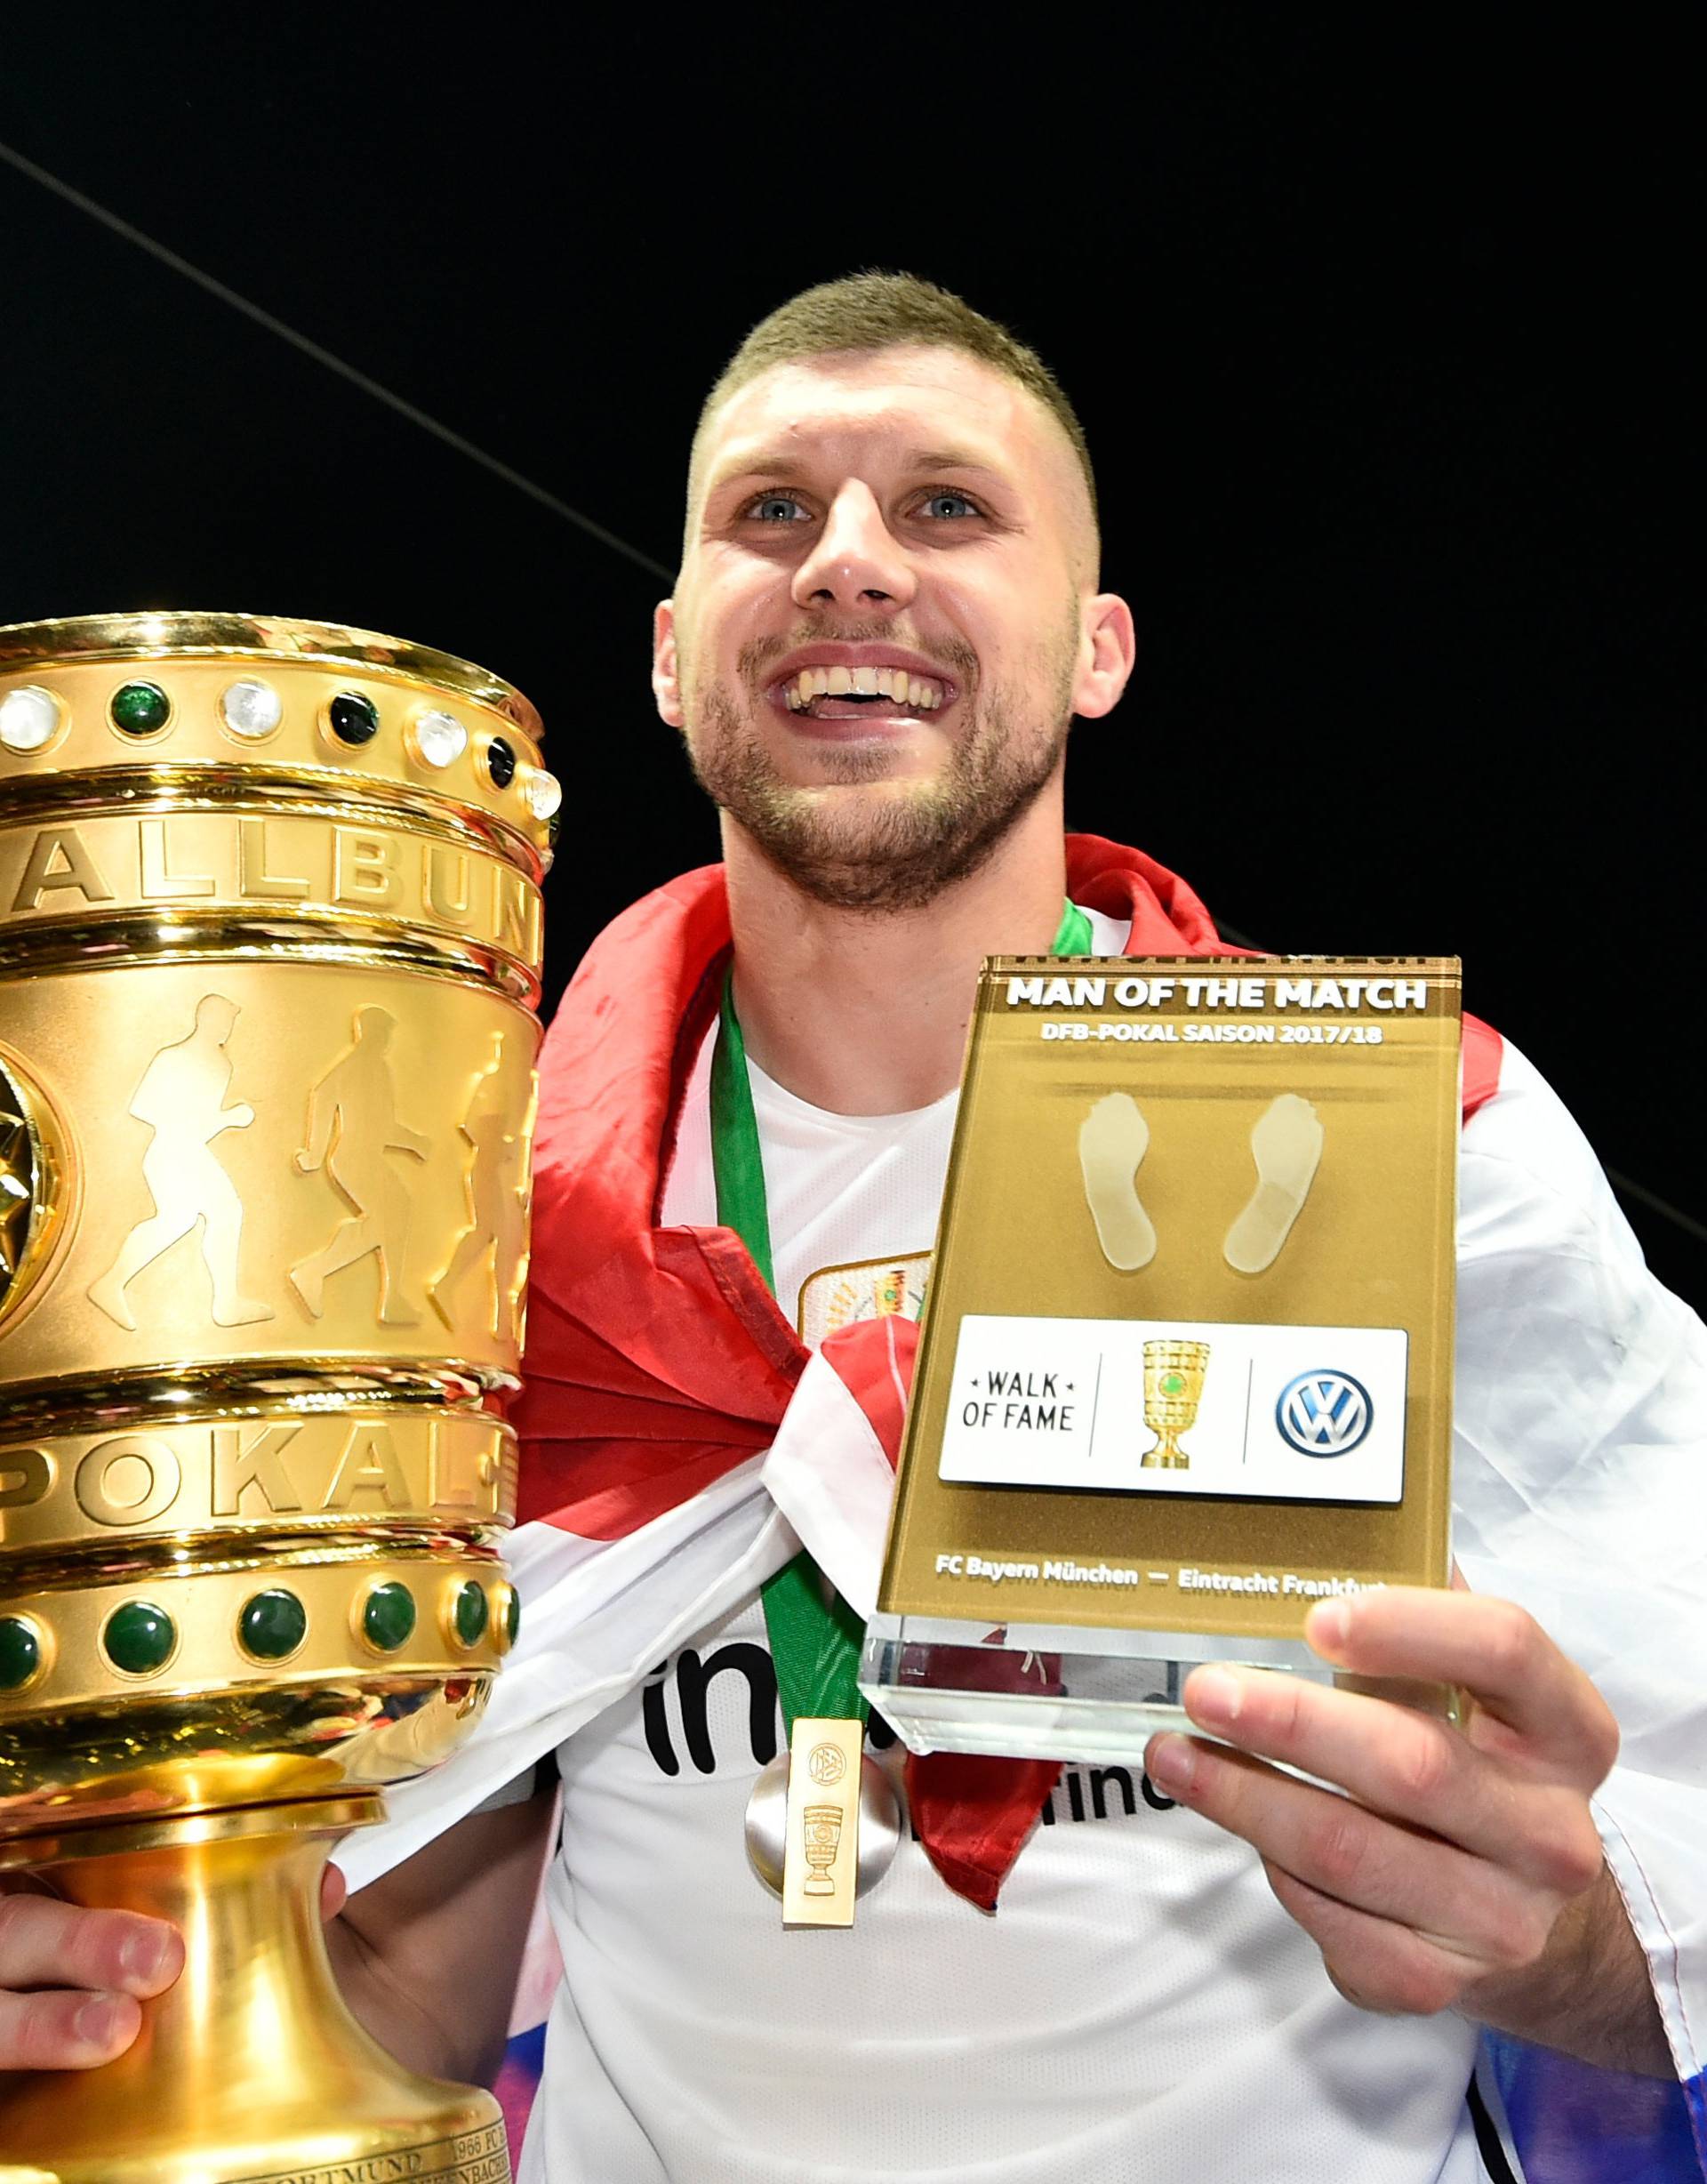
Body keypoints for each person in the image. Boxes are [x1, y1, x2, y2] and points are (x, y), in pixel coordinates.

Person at [7, 275, 1703, 2181]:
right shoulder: (466, 1238)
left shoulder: (1410, 1147)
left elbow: (1671, 1916)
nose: (851, 565)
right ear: (668, 653)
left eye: (950, 507)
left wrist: (1554, 1945)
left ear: (1100, 649)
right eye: (772, 511)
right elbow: (403, 2004)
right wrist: (121, 2009)